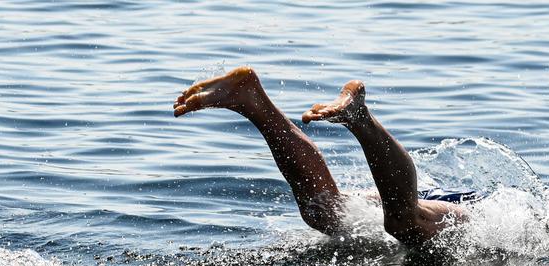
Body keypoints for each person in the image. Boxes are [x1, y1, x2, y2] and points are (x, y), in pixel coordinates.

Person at [173, 67, 477, 247]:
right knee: (404, 222)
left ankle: (252, 101)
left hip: (441, 201)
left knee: (323, 211)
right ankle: (359, 118)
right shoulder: (511, 219)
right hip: (470, 208)